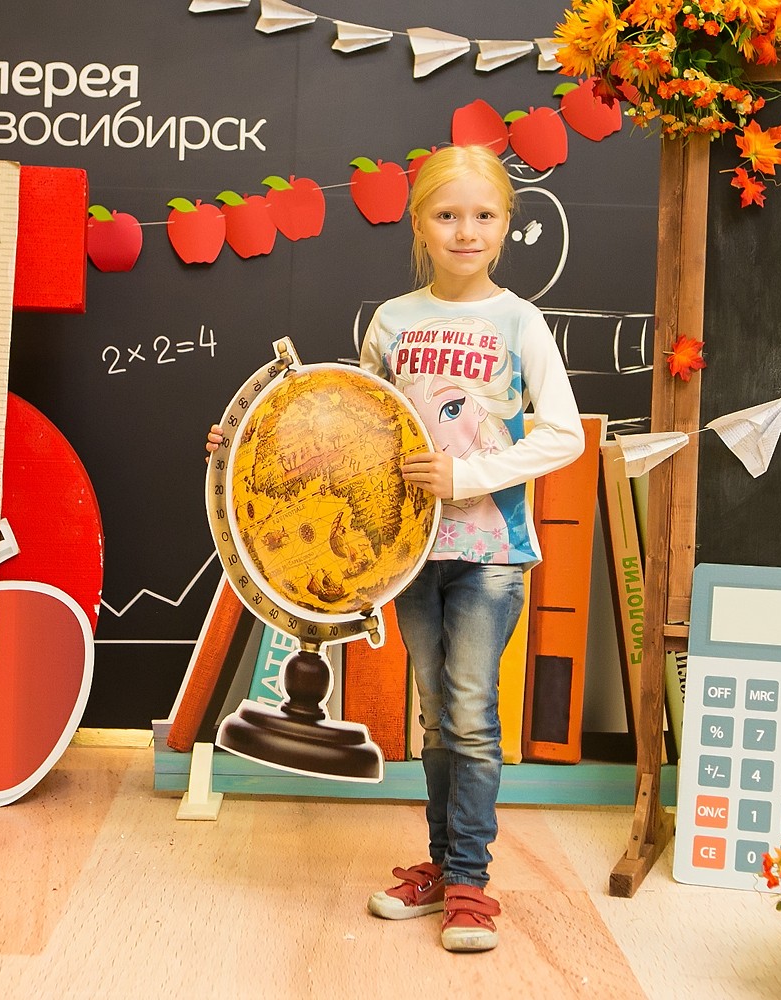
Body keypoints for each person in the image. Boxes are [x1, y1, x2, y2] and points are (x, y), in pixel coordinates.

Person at [207, 144, 583, 952]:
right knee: (436, 719)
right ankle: (443, 868)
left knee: (472, 713)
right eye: (447, 215)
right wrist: (249, 442)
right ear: (419, 225)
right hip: (403, 557)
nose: (465, 231)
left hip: (489, 555)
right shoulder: (393, 321)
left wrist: (467, 474)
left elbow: (564, 436)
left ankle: (472, 882)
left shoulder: (520, 322)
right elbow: (348, 429)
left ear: (506, 225)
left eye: (483, 215)